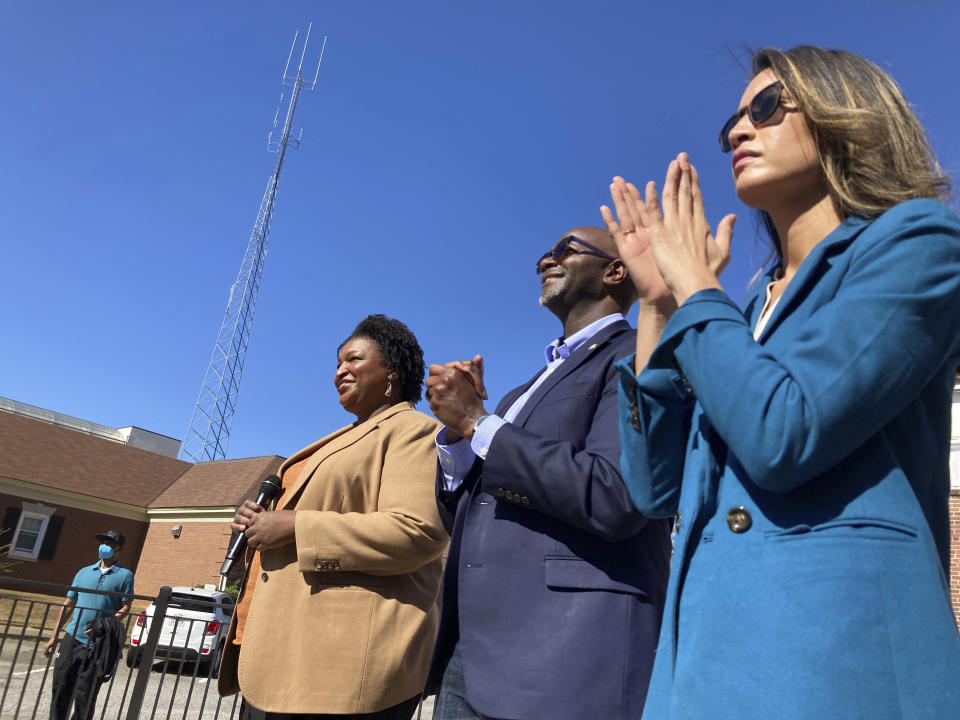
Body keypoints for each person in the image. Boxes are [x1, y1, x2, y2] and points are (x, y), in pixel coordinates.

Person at [602, 45, 960, 718]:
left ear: (844, 115)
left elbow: (784, 435)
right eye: (731, 123)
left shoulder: (922, 244)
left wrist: (697, 289)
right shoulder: (737, 317)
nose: (738, 131)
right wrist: (657, 302)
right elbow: (655, 489)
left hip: (837, 666)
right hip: (701, 670)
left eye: (765, 108)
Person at [424, 227, 672, 720]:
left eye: (565, 250)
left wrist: (478, 422)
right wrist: (458, 439)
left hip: (565, 651)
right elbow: (477, 514)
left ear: (614, 271)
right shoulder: (521, 392)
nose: (545, 260)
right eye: (544, 253)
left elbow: (617, 495)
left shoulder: (639, 354)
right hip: (475, 649)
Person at [218, 315, 447, 720]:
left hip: (339, 667)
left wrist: (295, 526)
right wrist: (259, 523)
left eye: (354, 359)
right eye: (337, 362)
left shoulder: (414, 431)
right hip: (281, 654)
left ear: (392, 372)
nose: (340, 370)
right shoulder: (343, 437)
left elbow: (418, 532)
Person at [45, 530, 133, 720]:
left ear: (119, 550)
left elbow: (126, 606)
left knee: (85, 695)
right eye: (103, 542)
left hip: (97, 645)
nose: (105, 546)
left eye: (110, 544)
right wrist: (54, 635)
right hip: (72, 638)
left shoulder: (125, 576)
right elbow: (68, 604)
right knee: (60, 688)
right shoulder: (83, 572)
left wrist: (105, 624)